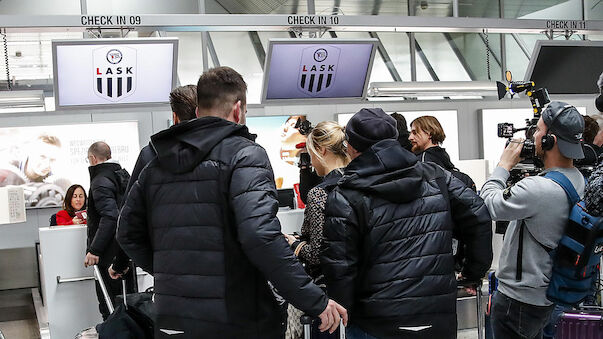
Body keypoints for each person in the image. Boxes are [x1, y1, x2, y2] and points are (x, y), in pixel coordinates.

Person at [117, 66, 347, 338]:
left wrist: (172, 273)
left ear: (199, 110)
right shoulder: (246, 156)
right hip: (235, 317)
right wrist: (314, 300)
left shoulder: (157, 162)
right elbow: (260, 235)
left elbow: (127, 233)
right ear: (238, 110)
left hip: (172, 317)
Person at [321, 107, 493, 339]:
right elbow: (478, 214)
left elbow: (340, 263)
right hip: (436, 316)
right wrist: (473, 270)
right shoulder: (437, 176)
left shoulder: (344, 195)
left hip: (376, 321)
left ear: (351, 147)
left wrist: (344, 309)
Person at [480, 101, 586, 339]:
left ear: (551, 141)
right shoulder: (579, 180)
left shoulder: (537, 188)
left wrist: (503, 165)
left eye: (538, 130)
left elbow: (488, 204)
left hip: (518, 301)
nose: (533, 136)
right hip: (550, 294)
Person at [109, 84, 198, 280]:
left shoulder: (151, 155)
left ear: (174, 116)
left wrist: (156, 267)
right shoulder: (224, 151)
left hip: (169, 270)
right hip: (219, 274)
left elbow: (128, 219)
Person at [283, 121, 350, 338]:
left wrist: (294, 244)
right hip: (361, 289)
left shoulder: (320, 194)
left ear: (321, 150)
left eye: (311, 153)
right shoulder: (362, 184)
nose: (310, 161)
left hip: (329, 295)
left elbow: (317, 255)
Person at [85, 141, 135, 320]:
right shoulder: (124, 176)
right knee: (129, 305)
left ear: (92, 158)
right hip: (125, 251)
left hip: (108, 255)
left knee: (109, 307)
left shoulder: (99, 182)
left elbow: (110, 217)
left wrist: (94, 249)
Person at [409, 115, 476, 191]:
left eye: (415, 133)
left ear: (429, 134)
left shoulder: (423, 162)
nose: (410, 137)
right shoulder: (443, 159)